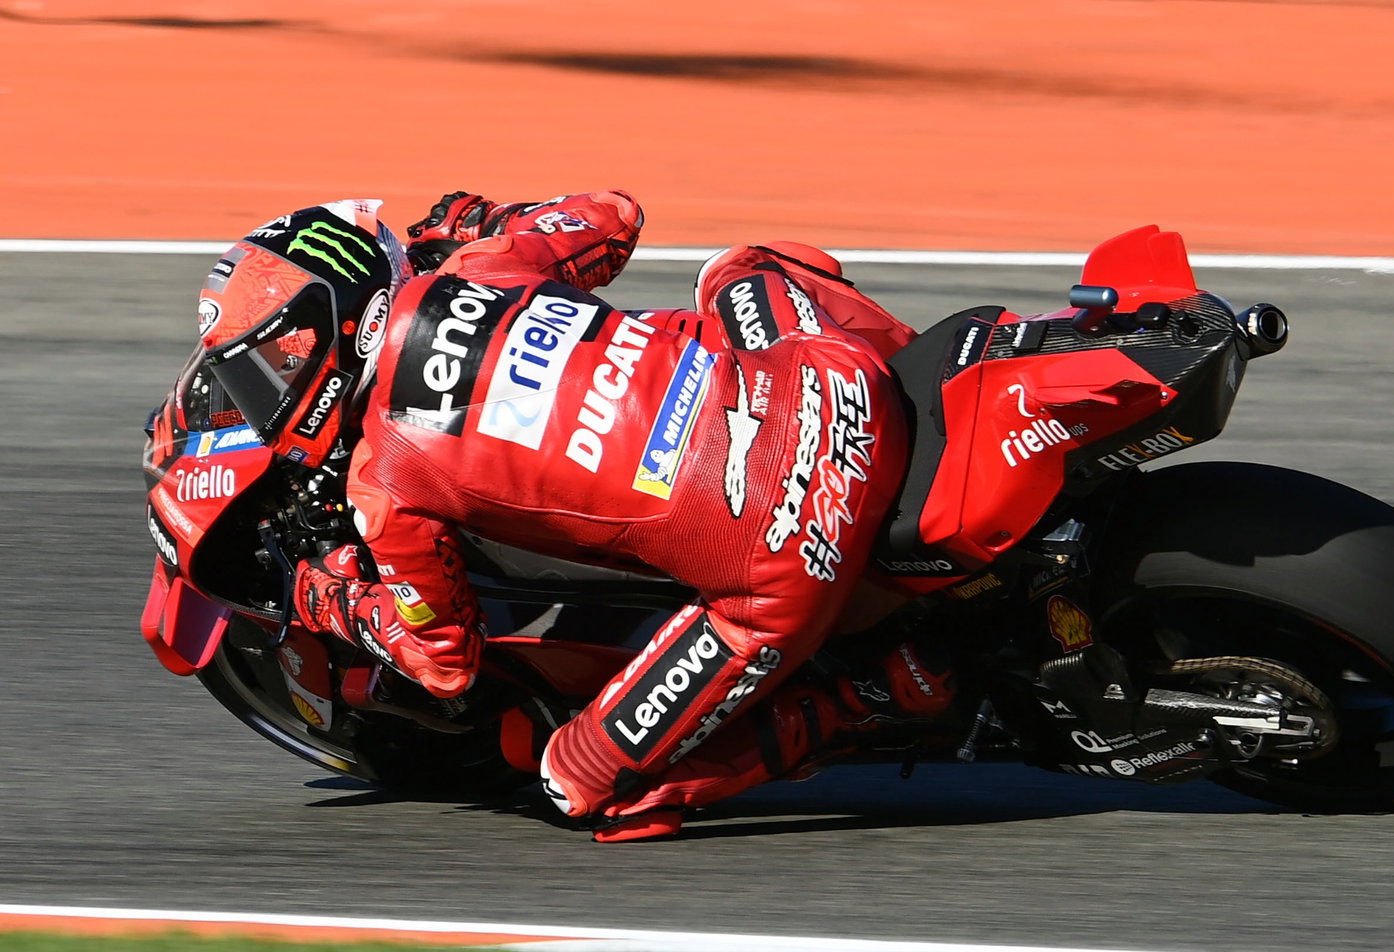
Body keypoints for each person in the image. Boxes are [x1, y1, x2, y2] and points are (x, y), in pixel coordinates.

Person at [197, 192, 953, 841]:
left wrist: (330, 598)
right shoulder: (484, 266)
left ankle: (865, 699)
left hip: (785, 557)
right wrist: (484, 222)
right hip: (833, 381)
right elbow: (612, 215)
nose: (273, 388)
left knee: (575, 782)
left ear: (343, 319)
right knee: (741, 267)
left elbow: (445, 663)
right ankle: (936, 406)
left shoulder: (382, 481)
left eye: (280, 359)